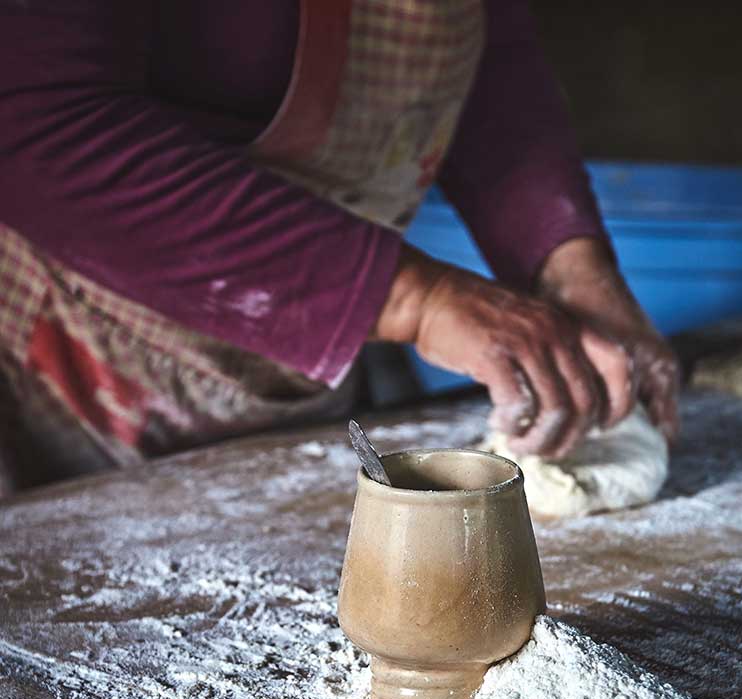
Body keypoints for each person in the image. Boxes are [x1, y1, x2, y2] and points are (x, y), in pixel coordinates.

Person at [0, 0, 680, 497]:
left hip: (299, 367)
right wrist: (417, 298)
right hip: (59, 362)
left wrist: (570, 266)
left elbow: (486, 53)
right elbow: (36, 120)